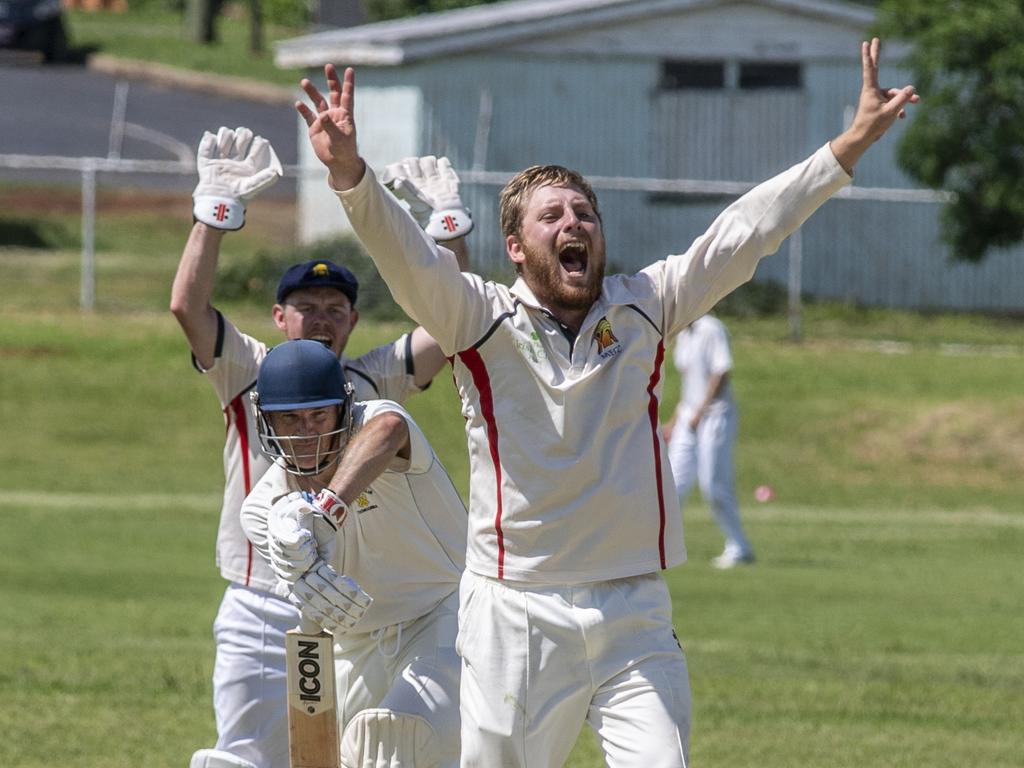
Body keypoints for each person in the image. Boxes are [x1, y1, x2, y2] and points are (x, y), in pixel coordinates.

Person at [295, 37, 916, 767]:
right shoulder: (477, 317)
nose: (574, 225)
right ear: (517, 247)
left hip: (632, 611)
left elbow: (749, 230)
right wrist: (351, 177)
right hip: (514, 614)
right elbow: (409, 260)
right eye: (551, 216)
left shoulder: (647, 304)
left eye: (583, 212)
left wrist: (847, 145)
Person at [170, 126, 473, 768]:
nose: (322, 317)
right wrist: (214, 214)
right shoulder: (250, 369)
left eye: (336, 307)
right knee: (247, 756)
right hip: (260, 595)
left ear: (353, 321)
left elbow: (454, 323)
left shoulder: (370, 381)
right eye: (306, 306)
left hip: (356, 603)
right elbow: (187, 307)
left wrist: (449, 229)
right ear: (280, 318)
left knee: (369, 749)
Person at [239, 339, 467, 768]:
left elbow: (389, 429)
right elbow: (319, 614)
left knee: (396, 739)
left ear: (344, 409)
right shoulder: (260, 510)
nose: (307, 431)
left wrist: (325, 510)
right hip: (353, 648)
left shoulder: (380, 424)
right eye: (289, 418)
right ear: (265, 419)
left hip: (444, 617)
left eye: (318, 415)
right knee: (354, 757)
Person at [663, 314, 754, 569]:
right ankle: (658, 547)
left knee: (713, 484)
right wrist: (675, 420)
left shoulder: (712, 329)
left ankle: (739, 546)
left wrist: (701, 412)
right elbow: (689, 383)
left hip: (715, 416)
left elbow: (721, 372)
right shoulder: (682, 333)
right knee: (672, 484)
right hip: (687, 417)